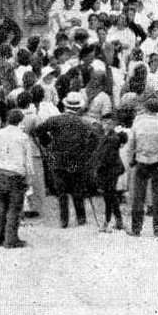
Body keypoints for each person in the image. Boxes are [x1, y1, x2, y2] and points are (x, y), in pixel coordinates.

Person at [33, 92, 98, 228]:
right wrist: (86, 152)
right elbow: (95, 137)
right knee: (77, 191)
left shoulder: (55, 120)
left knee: (61, 192)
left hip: (58, 159)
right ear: (78, 108)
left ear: (65, 105)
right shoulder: (83, 122)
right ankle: (81, 219)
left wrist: (48, 144)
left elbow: (38, 130)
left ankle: (64, 220)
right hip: (77, 160)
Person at [127, 96, 158, 237]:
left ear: (146, 108)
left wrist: (131, 160)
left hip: (141, 161)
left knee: (138, 195)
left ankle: (136, 228)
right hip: (157, 162)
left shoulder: (137, 124)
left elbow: (131, 145)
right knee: (157, 196)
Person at [0, 109, 35, 248]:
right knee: (14, 208)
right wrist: (29, 177)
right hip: (15, 174)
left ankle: (0, 237)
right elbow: (28, 160)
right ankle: (11, 239)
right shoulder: (23, 137)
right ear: (20, 121)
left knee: (0, 206)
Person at [91, 112, 127, 232]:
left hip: (110, 170)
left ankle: (107, 222)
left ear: (113, 124)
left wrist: (97, 168)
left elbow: (106, 157)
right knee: (111, 196)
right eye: (104, 122)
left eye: (109, 123)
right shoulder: (105, 136)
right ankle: (118, 221)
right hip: (108, 170)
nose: (106, 125)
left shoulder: (112, 138)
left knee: (108, 196)